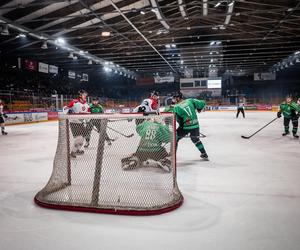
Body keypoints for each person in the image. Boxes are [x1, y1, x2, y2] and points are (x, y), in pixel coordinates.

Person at [172, 91, 209, 160]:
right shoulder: (190, 100)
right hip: (195, 125)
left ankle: (172, 156)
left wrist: (182, 127)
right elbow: (202, 103)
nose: (173, 100)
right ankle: (204, 154)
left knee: (174, 138)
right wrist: (199, 108)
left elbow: (178, 120)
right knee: (195, 139)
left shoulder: (176, 107)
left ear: (178, 98)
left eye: (174, 98)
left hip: (186, 127)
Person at [64, 90, 90, 158]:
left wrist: (88, 120)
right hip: (74, 123)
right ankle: (73, 152)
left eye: (86, 95)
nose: (85, 96)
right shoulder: (74, 102)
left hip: (81, 123)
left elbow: (88, 114)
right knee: (79, 137)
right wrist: (69, 111)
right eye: (84, 94)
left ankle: (77, 150)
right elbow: (65, 109)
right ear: (80, 95)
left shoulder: (87, 104)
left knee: (82, 138)